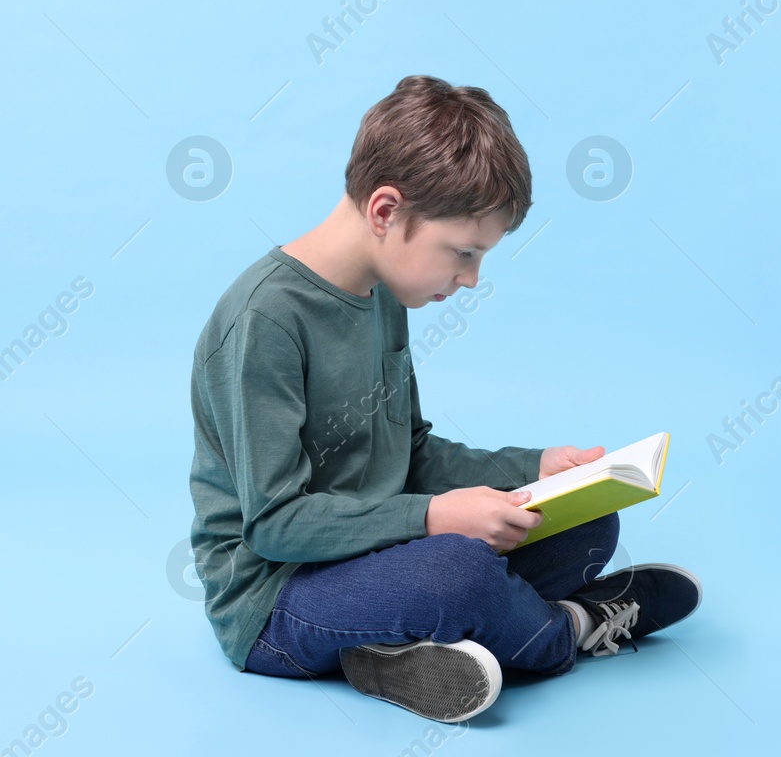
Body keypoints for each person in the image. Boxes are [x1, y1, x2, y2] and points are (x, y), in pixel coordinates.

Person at [187, 75, 700, 723]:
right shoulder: (265, 321)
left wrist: (534, 470)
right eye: (462, 252)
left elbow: (412, 453)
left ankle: (389, 652)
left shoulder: (382, 293)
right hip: (277, 597)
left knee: (588, 521)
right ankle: (570, 629)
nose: (470, 278)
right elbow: (274, 525)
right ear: (385, 212)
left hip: (375, 554)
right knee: (461, 571)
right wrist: (432, 520)